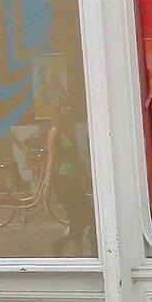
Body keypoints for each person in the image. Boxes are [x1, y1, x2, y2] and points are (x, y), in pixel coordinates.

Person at [44, 98, 95, 256]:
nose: (67, 109)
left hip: (73, 179)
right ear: (58, 110)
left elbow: (75, 157)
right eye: (64, 106)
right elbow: (51, 159)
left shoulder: (69, 129)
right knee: (79, 217)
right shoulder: (55, 131)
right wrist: (47, 185)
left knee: (85, 216)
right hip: (62, 180)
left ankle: (64, 245)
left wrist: (86, 177)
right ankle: (68, 247)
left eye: (69, 106)